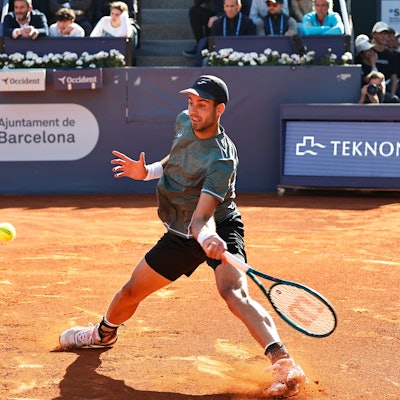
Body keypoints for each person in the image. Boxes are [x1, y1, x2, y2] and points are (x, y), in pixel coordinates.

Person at [58, 74, 308, 398]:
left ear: (220, 109)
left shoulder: (221, 158)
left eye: (202, 105)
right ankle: (103, 334)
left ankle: (284, 363)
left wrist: (208, 240)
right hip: (180, 233)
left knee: (234, 293)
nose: (193, 110)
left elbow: (203, 218)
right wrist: (146, 172)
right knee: (131, 291)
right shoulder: (182, 121)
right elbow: (175, 162)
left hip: (218, 225)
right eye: (191, 102)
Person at [354, 32, 400, 104]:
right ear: (361, 54)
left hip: (381, 93)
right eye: (367, 51)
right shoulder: (360, 66)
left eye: (371, 49)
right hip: (366, 95)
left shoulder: (377, 60)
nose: (370, 52)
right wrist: (373, 64)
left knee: (394, 100)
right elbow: (372, 81)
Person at [370, 21, 399, 102]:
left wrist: (393, 94)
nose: (383, 36)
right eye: (380, 33)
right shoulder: (368, 52)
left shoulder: (390, 55)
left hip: (386, 91)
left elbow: (394, 77)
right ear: (373, 35)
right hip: (370, 91)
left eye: (385, 34)